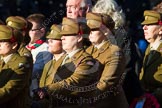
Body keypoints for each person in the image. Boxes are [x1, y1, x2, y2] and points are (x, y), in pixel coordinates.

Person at [36, 17, 102, 107]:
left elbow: (74, 81)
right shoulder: (60, 59)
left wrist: (46, 90)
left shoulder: (86, 61)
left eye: (67, 35)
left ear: (79, 38)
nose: (62, 38)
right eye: (62, 35)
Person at [92, 0, 144, 104]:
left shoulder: (122, 37)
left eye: (98, 17)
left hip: (124, 93)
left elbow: (125, 67)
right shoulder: (101, 36)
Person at [86, 12, 128, 107]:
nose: (90, 32)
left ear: (106, 31)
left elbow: (106, 83)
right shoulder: (88, 51)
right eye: (89, 29)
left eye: (94, 29)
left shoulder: (114, 52)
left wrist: (82, 96)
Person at [0, 25, 31, 108]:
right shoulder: (1, 60)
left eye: (2, 41)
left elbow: (10, 89)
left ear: (14, 45)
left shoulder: (21, 63)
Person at [139, 10, 162, 106]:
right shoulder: (150, 48)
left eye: (150, 25)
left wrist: (154, 97)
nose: (144, 27)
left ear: (161, 29)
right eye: (144, 25)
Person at [26, 13, 53, 96]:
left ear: (42, 31)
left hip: (34, 94)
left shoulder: (46, 49)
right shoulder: (24, 47)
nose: (27, 32)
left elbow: (36, 72)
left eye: (31, 29)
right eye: (26, 29)